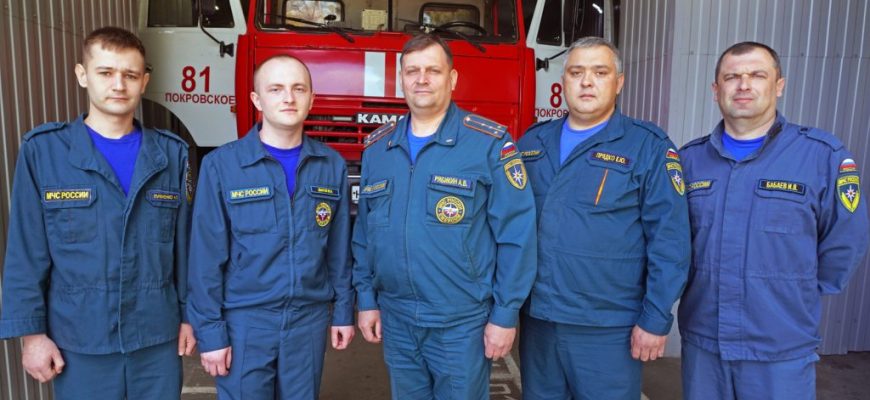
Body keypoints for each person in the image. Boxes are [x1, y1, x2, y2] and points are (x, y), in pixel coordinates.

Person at [0, 27, 195, 399]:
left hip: (155, 338)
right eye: (106, 72)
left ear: (144, 81)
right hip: (80, 340)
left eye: (130, 75)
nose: (118, 85)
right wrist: (32, 335)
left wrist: (190, 317)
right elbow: (26, 251)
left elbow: (185, 250)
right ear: (82, 75)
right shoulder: (44, 152)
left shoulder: (172, 155)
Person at [678, 41, 869, 399]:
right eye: (732, 77)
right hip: (704, 344)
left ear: (779, 85)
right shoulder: (690, 160)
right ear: (716, 90)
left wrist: (796, 291)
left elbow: (847, 239)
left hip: (780, 347)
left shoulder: (820, 156)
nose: (743, 85)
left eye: (757, 75)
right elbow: (673, 242)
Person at [352, 34, 537, 399]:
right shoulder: (378, 148)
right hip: (398, 318)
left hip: (460, 322)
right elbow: (365, 235)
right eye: (412, 71)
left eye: (433, 71)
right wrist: (366, 299)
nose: (422, 79)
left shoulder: (489, 143)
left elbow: (517, 234)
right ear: (401, 79)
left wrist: (505, 314)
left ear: (452, 79)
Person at [516, 36, 690, 400]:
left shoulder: (648, 146)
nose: (586, 82)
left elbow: (670, 240)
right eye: (576, 72)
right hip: (540, 321)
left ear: (619, 82)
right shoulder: (532, 144)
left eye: (600, 72)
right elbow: (508, 228)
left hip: (607, 327)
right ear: (563, 80)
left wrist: (655, 317)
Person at [186, 54, 354, 399]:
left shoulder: (330, 165)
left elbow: (339, 251)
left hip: (307, 322)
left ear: (312, 99)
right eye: (275, 89)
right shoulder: (222, 166)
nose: (288, 98)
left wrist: (342, 312)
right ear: (256, 100)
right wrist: (211, 333)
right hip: (245, 321)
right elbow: (205, 258)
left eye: (298, 89)